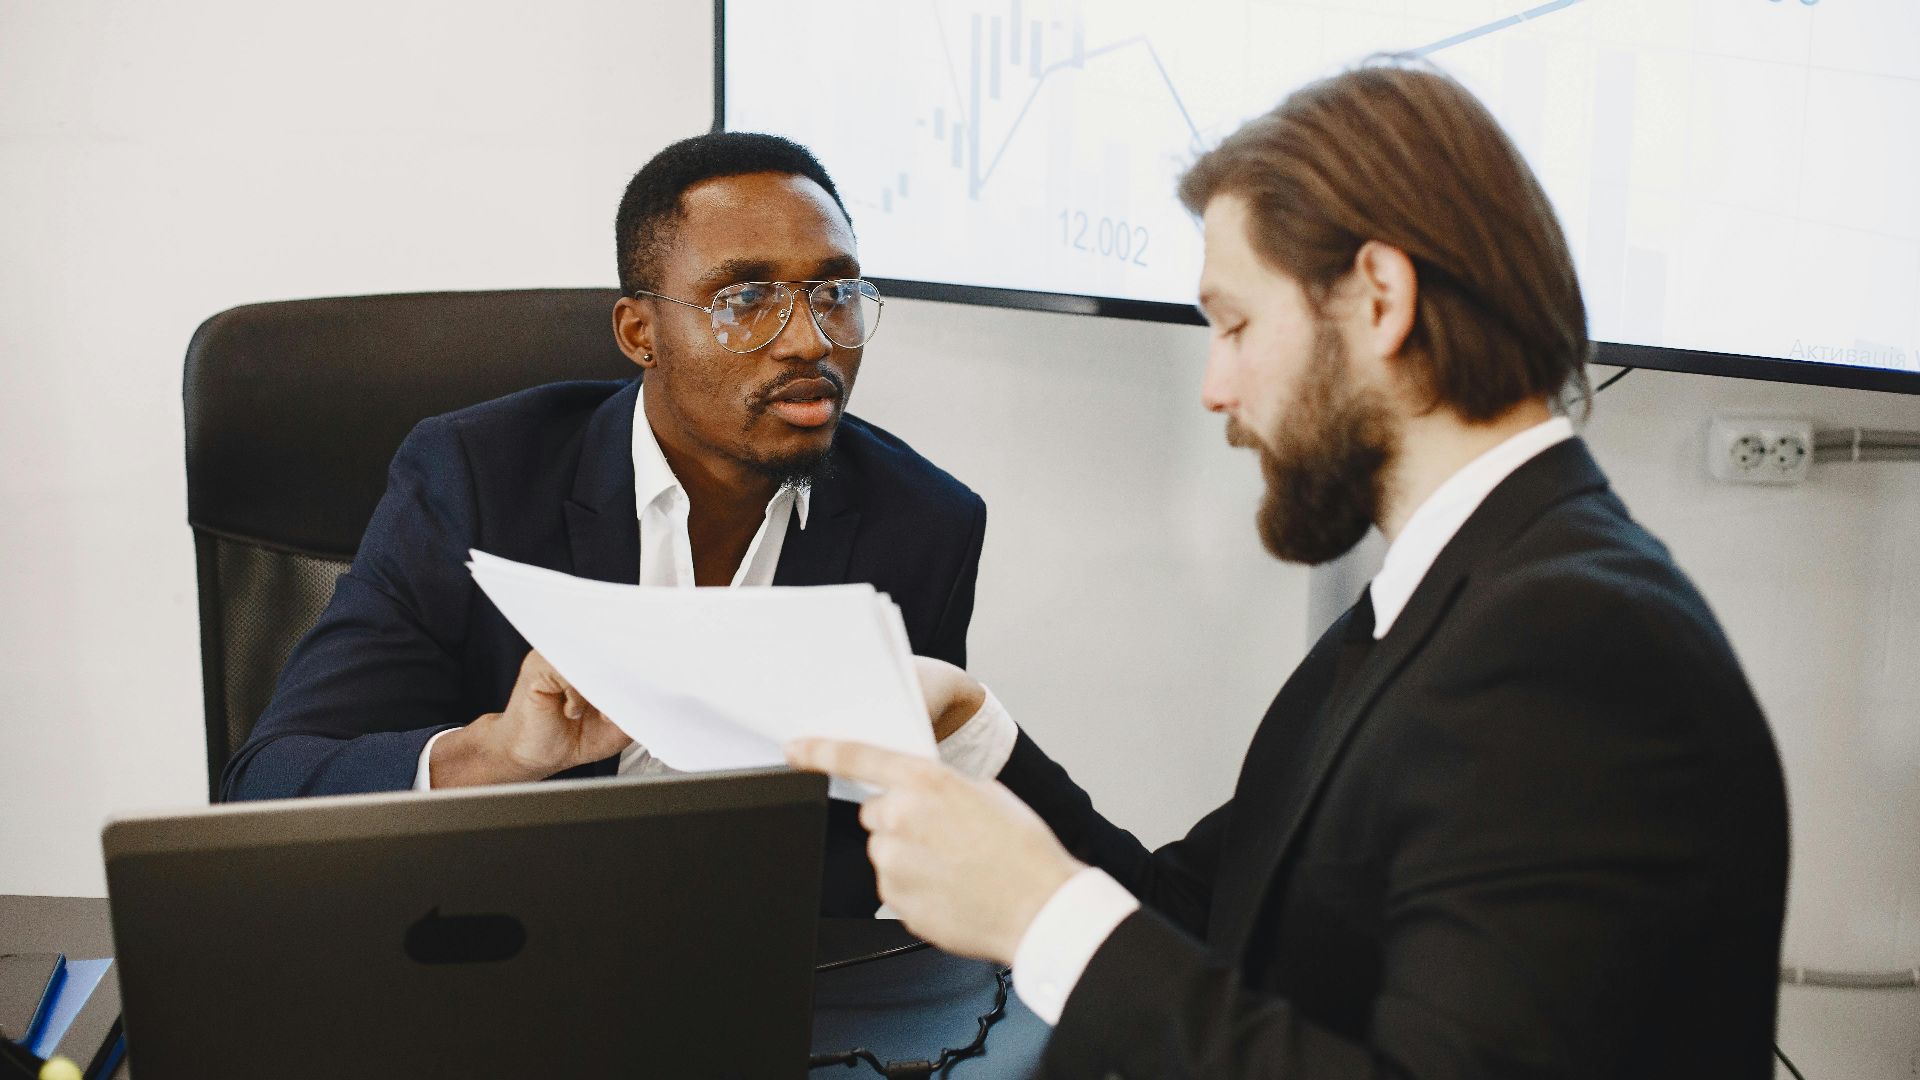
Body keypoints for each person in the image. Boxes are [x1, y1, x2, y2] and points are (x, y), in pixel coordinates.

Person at [791, 62, 1790, 1076]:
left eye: (1233, 325)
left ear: (1380, 299)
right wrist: (970, 733)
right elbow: (1205, 920)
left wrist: (1047, 918)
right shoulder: (1443, 609)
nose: (1215, 388)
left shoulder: (1572, 650)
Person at [222, 132, 990, 916]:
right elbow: (269, 788)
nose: (809, 338)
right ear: (639, 334)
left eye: (834, 294)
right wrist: (502, 751)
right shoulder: (474, 480)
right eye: (746, 299)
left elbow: (884, 831)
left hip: (779, 969)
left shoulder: (925, 524)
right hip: (510, 943)